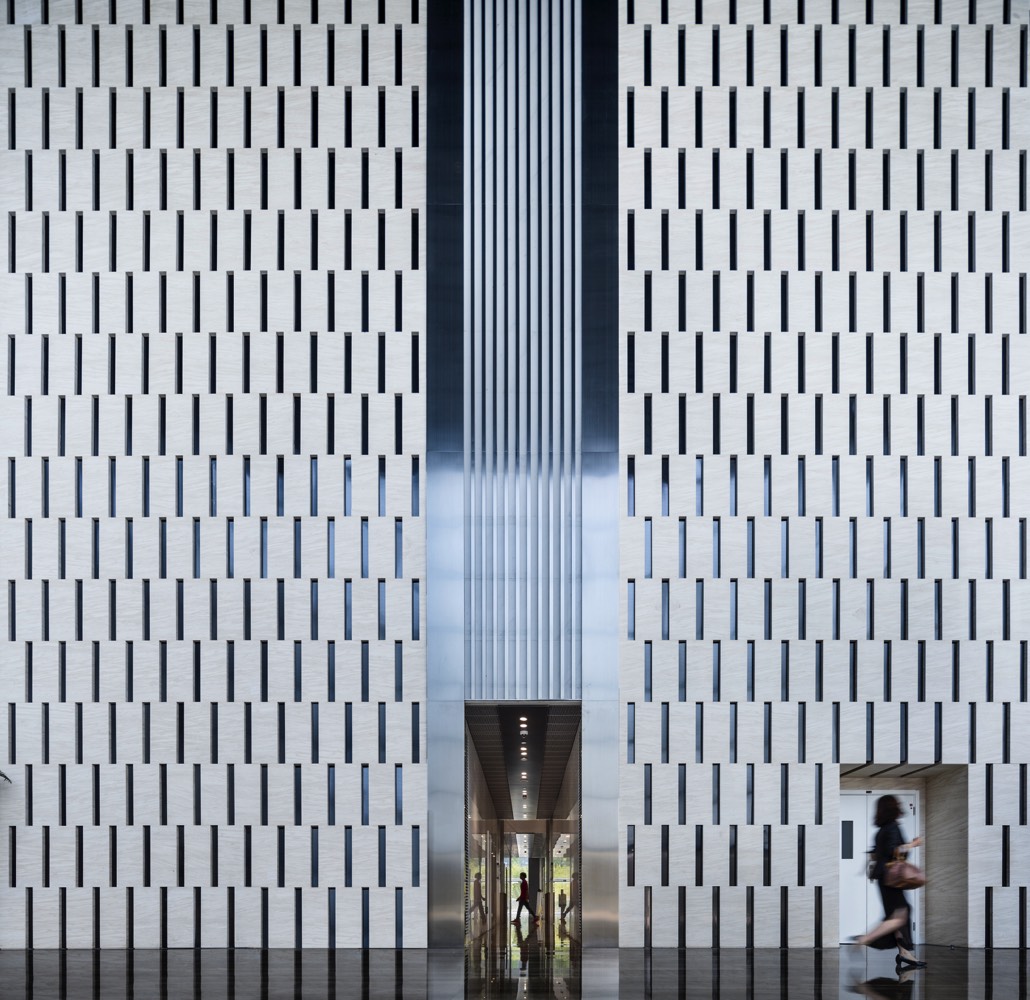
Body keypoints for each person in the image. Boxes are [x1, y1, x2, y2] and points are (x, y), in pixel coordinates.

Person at [853, 795, 926, 969]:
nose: (900, 805)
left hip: (884, 878)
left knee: (896, 914)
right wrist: (913, 844)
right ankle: (864, 939)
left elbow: (876, 854)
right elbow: (895, 850)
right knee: (901, 915)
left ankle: (905, 953)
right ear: (892, 808)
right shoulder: (892, 827)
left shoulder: (881, 830)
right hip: (891, 879)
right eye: (897, 803)